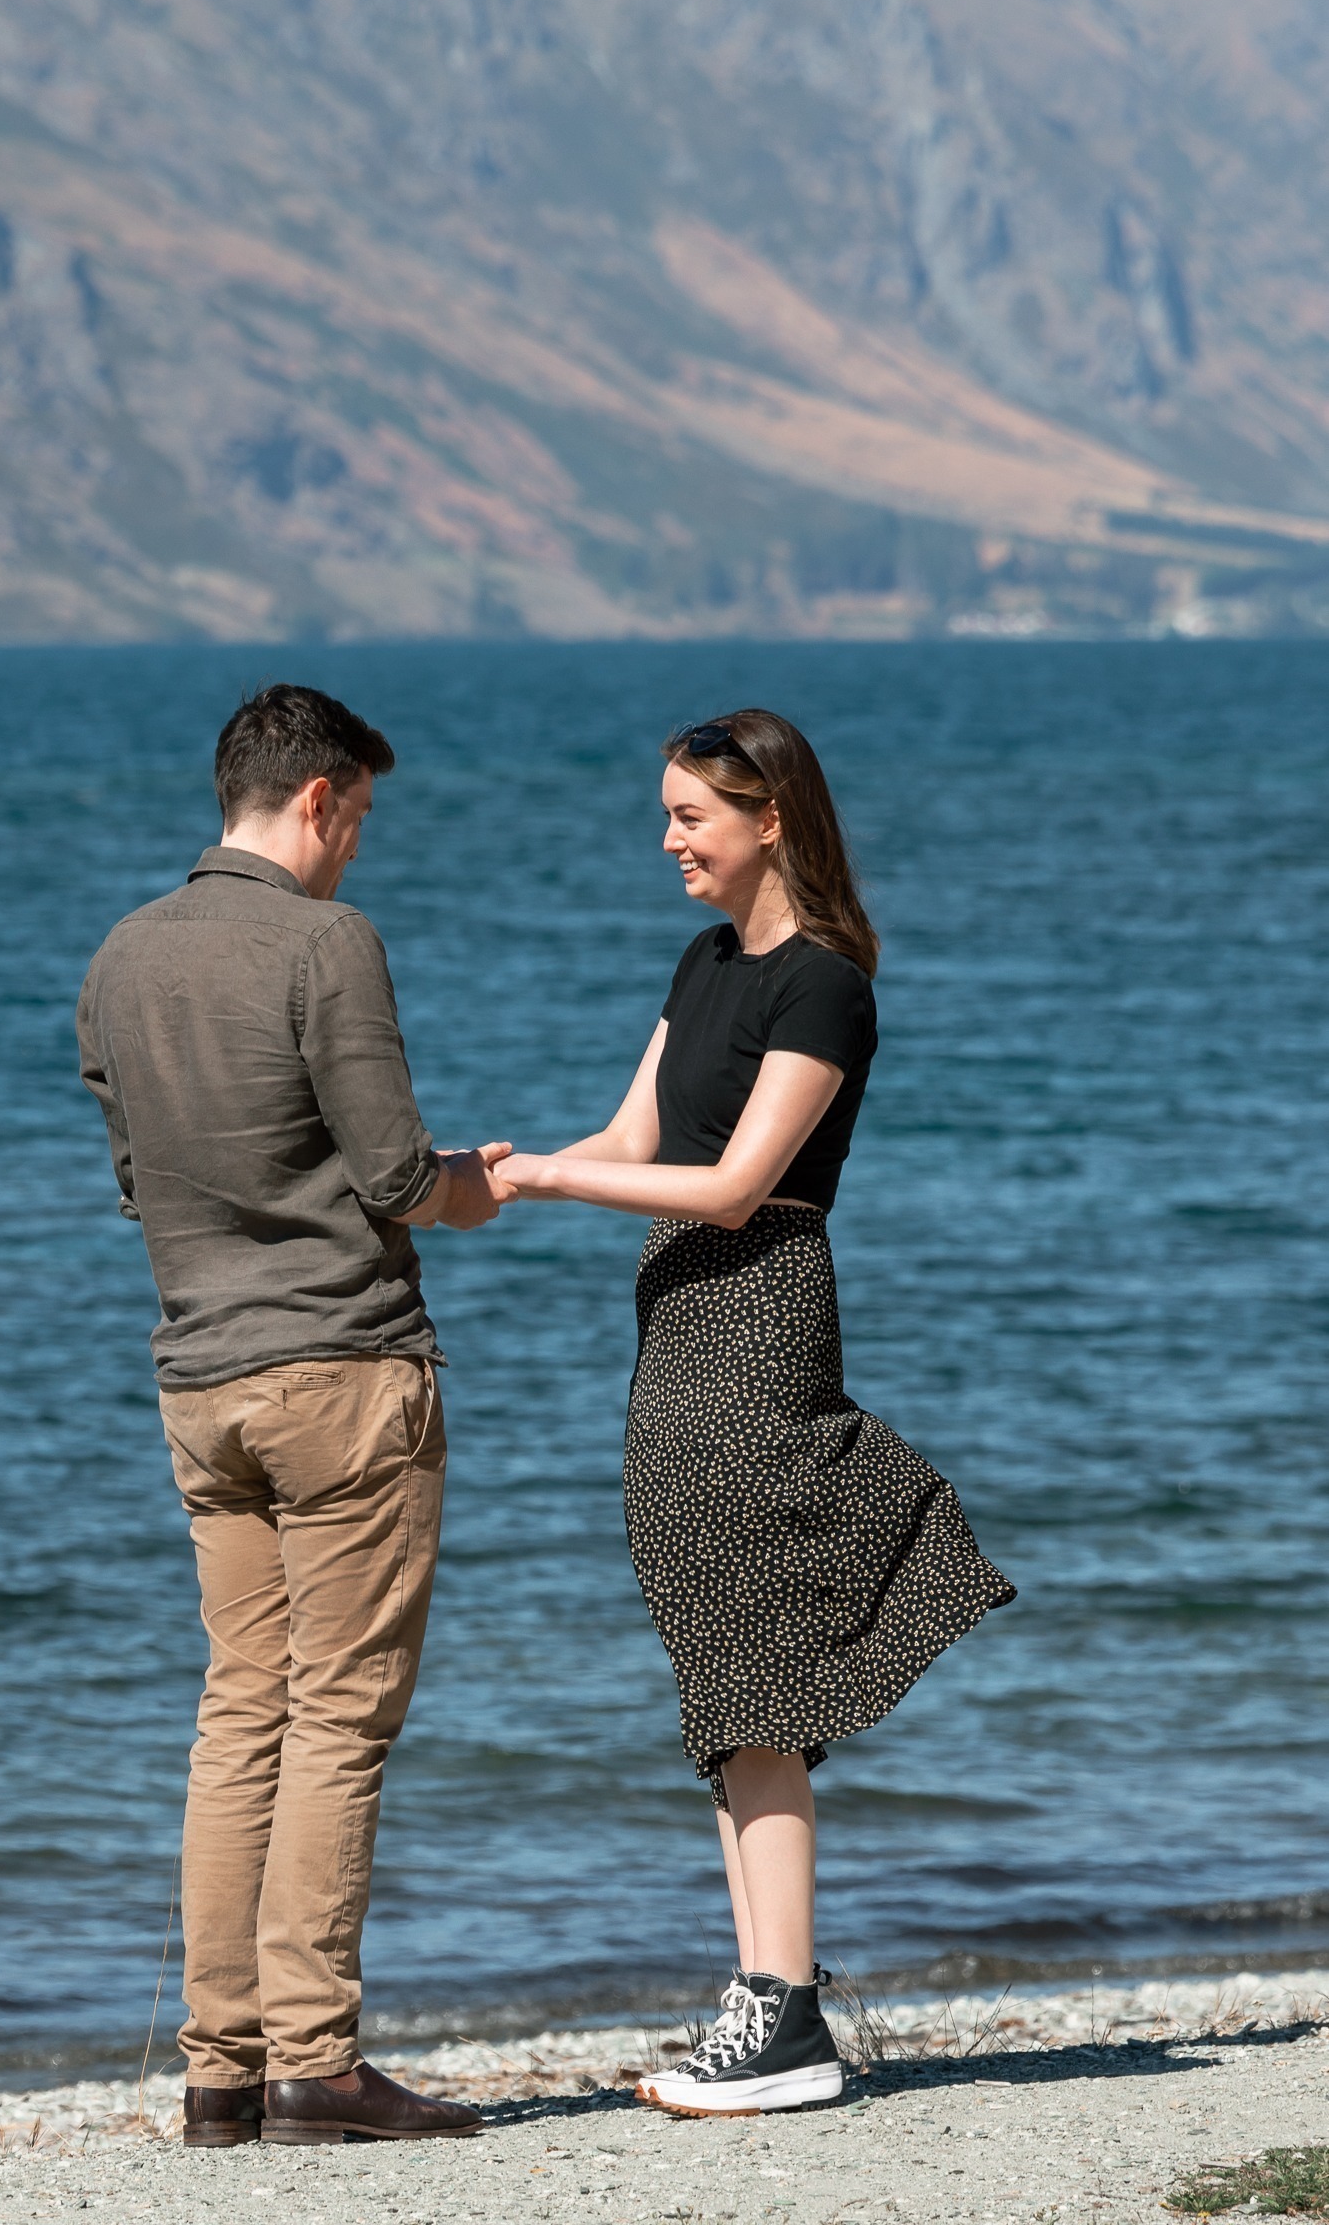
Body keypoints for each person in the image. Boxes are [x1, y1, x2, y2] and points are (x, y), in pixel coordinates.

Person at [496, 709, 1015, 2118]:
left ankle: (785, 2013)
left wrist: (546, 1180)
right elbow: (630, 1143)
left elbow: (735, 1187)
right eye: (667, 815)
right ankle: (762, 1995)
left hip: (759, 1307)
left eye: (690, 816)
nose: (668, 840)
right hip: (674, 1323)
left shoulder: (824, 984)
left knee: (754, 1668)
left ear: (768, 817)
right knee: (715, 1658)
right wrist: (476, 1181)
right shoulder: (704, 963)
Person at [76, 684, 514, 2148]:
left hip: (200, 1382)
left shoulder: (120, 956)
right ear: (316, 797)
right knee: (337, 1716)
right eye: (361, 817)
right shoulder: (329, 943)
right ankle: (317, 2061)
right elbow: (395, 1177)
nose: (359, 848)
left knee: (238, 1713)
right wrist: (482, 1187)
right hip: (343, 1373)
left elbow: (138, 1183)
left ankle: (222, 2070)